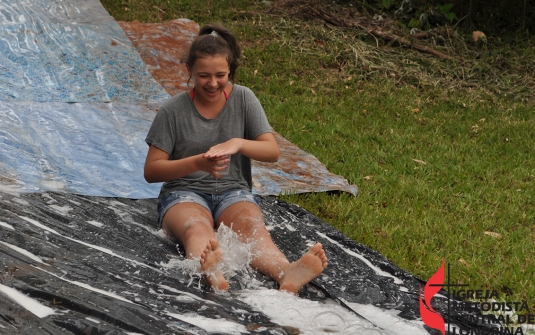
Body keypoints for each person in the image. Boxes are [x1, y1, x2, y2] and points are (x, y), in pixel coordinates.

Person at [144, 23, 328, 293]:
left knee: (253, 228)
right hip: (183, 193)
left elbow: (272, 152)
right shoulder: (173, 111)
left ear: (230, 70)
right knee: (196, 228)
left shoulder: (244, 99)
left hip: (233, 191)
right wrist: (198, 163)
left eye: (221, 75)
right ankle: (210, 270)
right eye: (203, 75)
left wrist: (238, 143)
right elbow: (151, 171)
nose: (213, 83)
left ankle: (286, 272)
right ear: (189, 71)